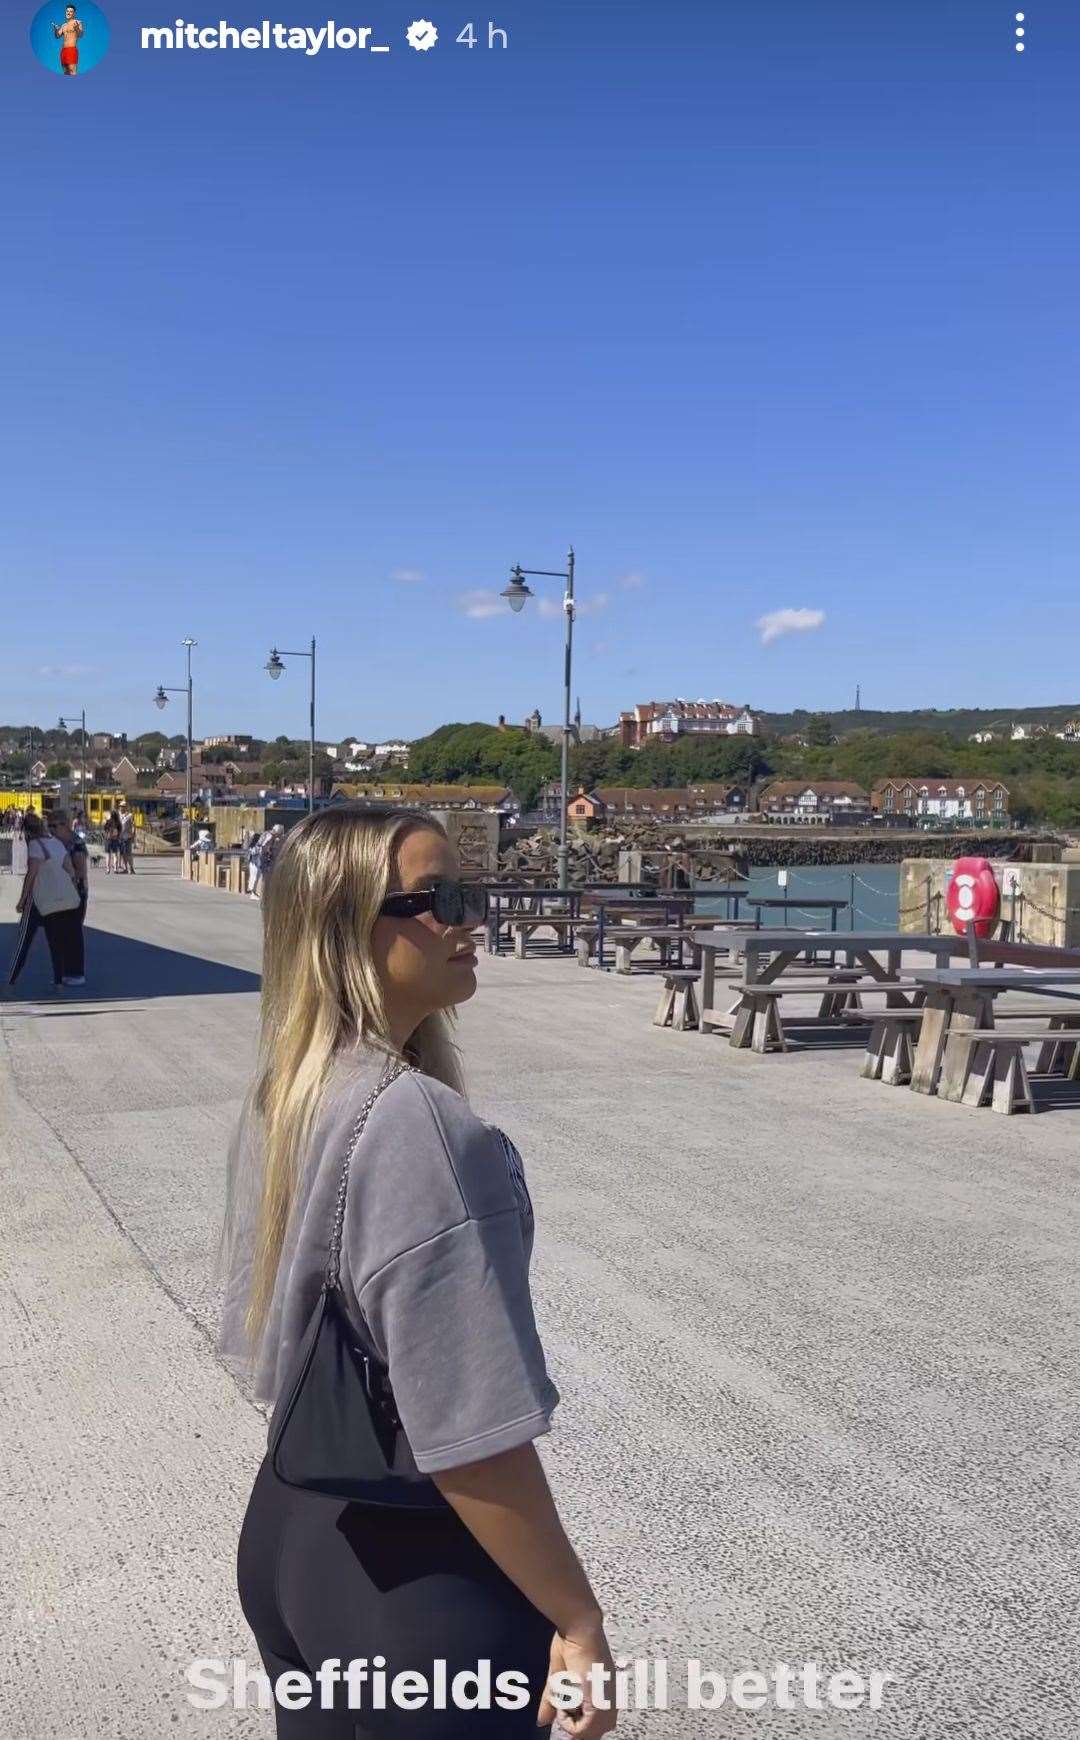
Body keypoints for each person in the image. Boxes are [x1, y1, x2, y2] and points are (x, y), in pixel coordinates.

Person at [217, 807, 616, 1740]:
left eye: (469, 893)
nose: (475, 919)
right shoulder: (418, 1125)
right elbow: (471, 1430)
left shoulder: (296, 1089)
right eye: (439, 900)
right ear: (348, 926)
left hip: (294, 1535)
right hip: (417, 1585)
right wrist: (578, 1617)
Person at [7, 812, 83, 990]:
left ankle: (11, 978)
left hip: (37, 902)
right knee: (55, 941)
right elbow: (70, 871)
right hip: (55, 903)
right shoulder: (56, 843)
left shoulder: (35, 844)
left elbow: (31, 875)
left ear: (27, 831)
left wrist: (22, 900)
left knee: (24, 941)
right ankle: (58, 981)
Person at [49, 808, 90, 972]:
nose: (50, 830)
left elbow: (81, 872)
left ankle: (76, 972)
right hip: (61, 892)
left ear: (64, 825)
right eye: (48, 826)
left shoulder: (76, 843)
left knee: (73, 933)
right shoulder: (57, 843)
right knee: (62, 934)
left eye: (53, 826)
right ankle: (65, 970)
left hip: (76, 892)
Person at [52, 3, 84, 74]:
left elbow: (81, 35)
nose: (68, 13)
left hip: (71, 49)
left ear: (74, 13)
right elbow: (57, 36)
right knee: (65, 72)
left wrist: (76, 28)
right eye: (67, 11)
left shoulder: (78, 22)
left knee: (72, 72)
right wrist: (56, 30)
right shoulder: (63, 25)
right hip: (63, 51)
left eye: (71, 11)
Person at [119, 804, 136, 874]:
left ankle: (131, 868)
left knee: (129, 853)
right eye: (120, 806)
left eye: (123, 807)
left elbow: (133, 825)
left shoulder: (130, 815)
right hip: (121, 837)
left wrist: (133, 834)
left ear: (125, 808)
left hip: (128, 837)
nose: (121, 808)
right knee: (123, 854)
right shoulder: (119, 815)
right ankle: (125, 868)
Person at [103, 810, 122, 874]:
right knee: (115, 854)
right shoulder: (118, 822)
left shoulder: (108, 821)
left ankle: (108, 869)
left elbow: (105, 829)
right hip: (115, 839)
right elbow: (120, 830)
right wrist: (118, 836)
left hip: (108, 839)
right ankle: (115, 869)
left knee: (108, 855)